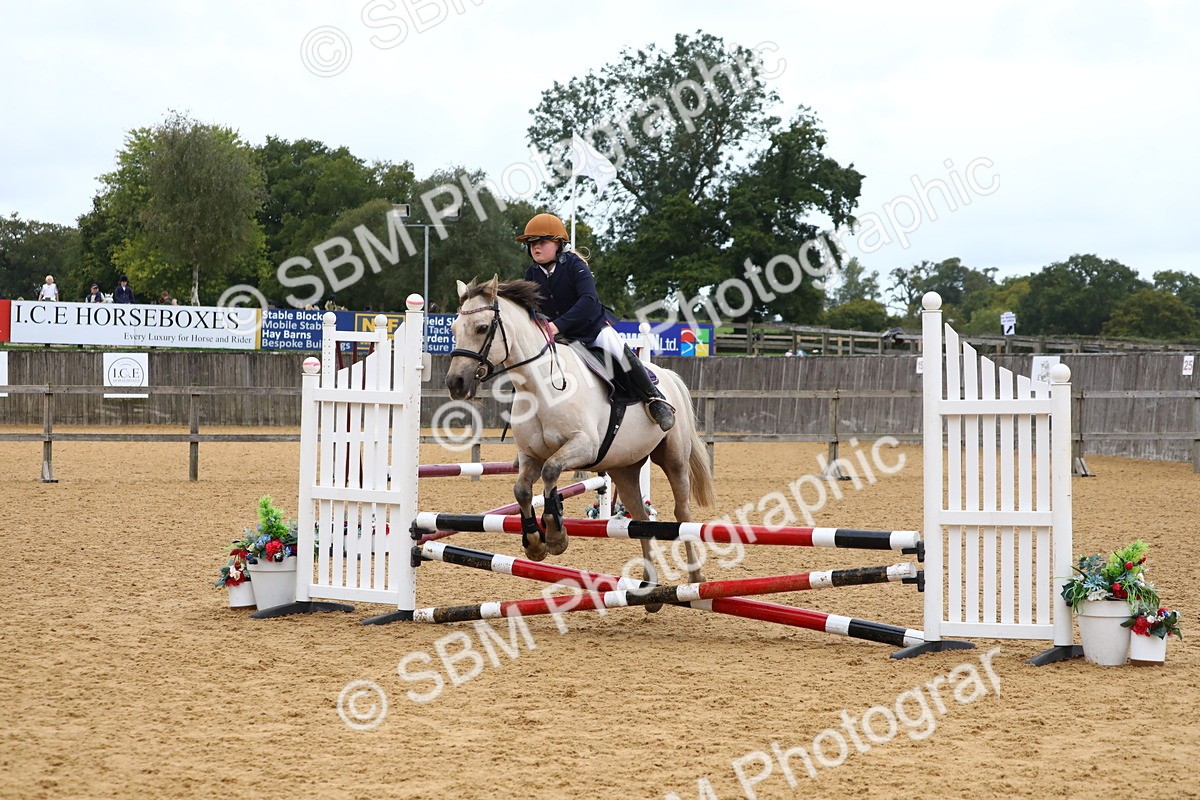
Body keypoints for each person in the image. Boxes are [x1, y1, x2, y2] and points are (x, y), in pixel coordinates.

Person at [517, 212, 675, 431]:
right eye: (532, 243)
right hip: (561, 337)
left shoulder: (574, 265)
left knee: (616, 347)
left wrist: (557, 325)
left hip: (592, 328)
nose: (536, 247)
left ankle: (655, 400)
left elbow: (589, 300)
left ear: (558, 243)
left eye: (542, 242)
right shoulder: (531, 274)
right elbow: (530, 309)